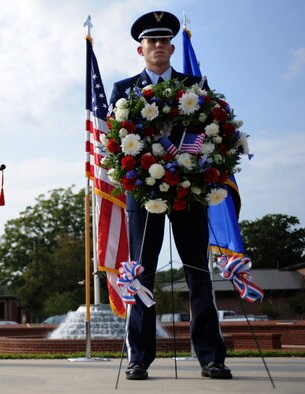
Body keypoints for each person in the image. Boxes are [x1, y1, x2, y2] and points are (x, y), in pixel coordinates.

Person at [108, 11, 232, 380]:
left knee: (198, 273)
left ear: (172, 47)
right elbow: (115, 144)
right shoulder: (123, 90)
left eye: (164, 40)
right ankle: (139, 357)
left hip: (190, 192)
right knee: (140, 274)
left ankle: (210, 356)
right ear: (140, 48)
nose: (158, 46)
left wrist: (187, 163)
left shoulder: (196, 85)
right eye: (152, 41)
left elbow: (212, 135)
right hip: (143, 193)